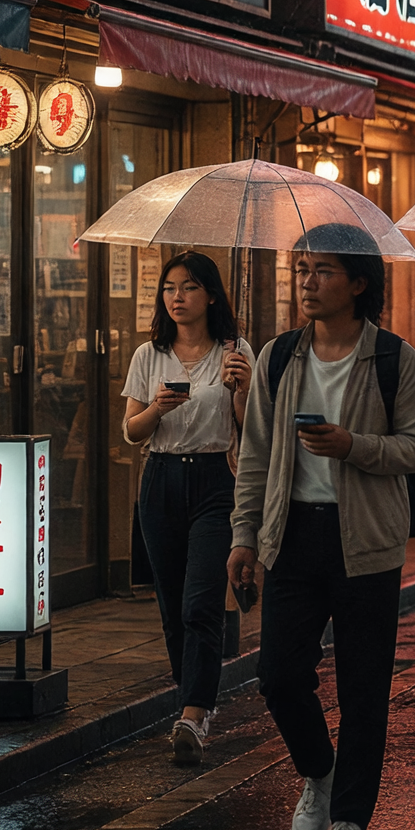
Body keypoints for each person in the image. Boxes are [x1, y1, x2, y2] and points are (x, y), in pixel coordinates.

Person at [229, 233, 415, 830]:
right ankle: (318, 770)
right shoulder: (280, 355)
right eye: (301, 271)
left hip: (367, 539)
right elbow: (258, 454)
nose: (307, 283)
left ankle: (349, 819)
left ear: (359, 284)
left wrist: (354, 446)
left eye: (322, 272)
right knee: (280, 675)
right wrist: (243, 537)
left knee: (364, 684)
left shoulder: (394, 360)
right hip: (290, 534)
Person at [120, 250, 254, 765]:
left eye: (190, 287)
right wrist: (157, 408)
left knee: (201, 602)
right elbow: (131, 432)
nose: (177, 297)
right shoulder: (149, 354)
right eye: (170, 288)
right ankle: (189, 701)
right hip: (160, 480)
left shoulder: (236, 350)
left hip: (215, 481)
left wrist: (241, 388)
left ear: (212, 295)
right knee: (173, 606)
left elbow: (249, 427)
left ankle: (195, 714)